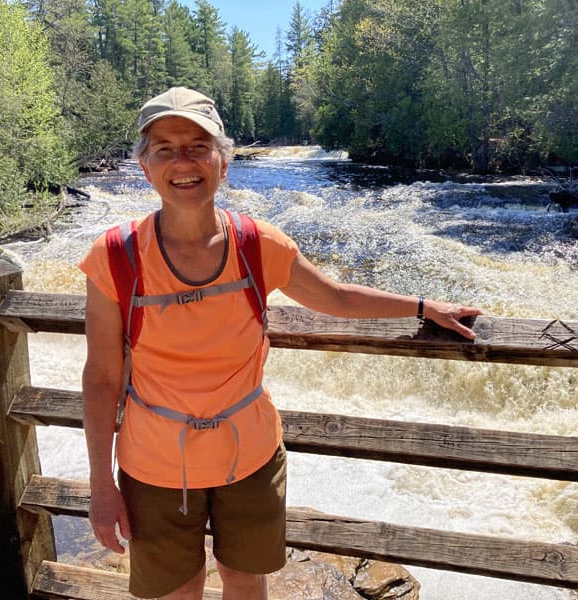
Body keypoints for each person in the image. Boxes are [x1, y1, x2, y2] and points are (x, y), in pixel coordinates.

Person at [80, 86, 482, 600]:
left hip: (248, 455)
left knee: (246, 583)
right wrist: (101, 485)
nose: (183, 162)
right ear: (145, 167)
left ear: (223, 163)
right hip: (152, 462)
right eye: (165, 148)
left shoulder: (257, 244)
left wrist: (424, 307)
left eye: (198, 147)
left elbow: (335, 297)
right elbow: (102, 377)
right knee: (176, 591)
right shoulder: (114, 256)